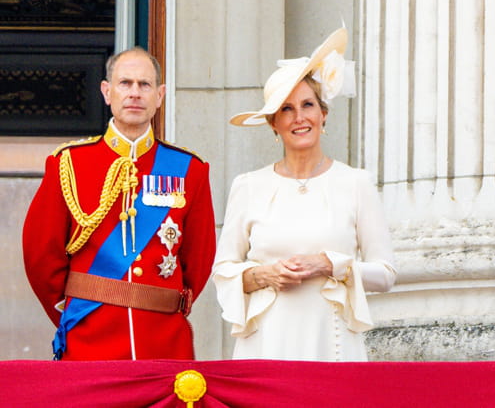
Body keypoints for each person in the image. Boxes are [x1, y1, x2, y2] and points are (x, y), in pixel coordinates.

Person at [212, 27, 396, 361]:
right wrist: (263, 274)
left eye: (307, 105)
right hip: (266, 344)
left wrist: (328, 264)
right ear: (273, 123)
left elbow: (385, 274)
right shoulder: (248, 186)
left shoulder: (356, 183)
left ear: (323, 114)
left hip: (332, 343)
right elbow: (223, 271)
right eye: (286, 109)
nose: (299, 118)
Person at [22, 47, 216, 360]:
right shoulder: (69, 163)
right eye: (125, 83)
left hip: (164, 342)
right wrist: (76, 311)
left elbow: (199, 260)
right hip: (89, 339)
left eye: (145, 85)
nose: (135, 93)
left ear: (160, 95)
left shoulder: (189, 169)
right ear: (107, 91)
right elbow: (41, 256)